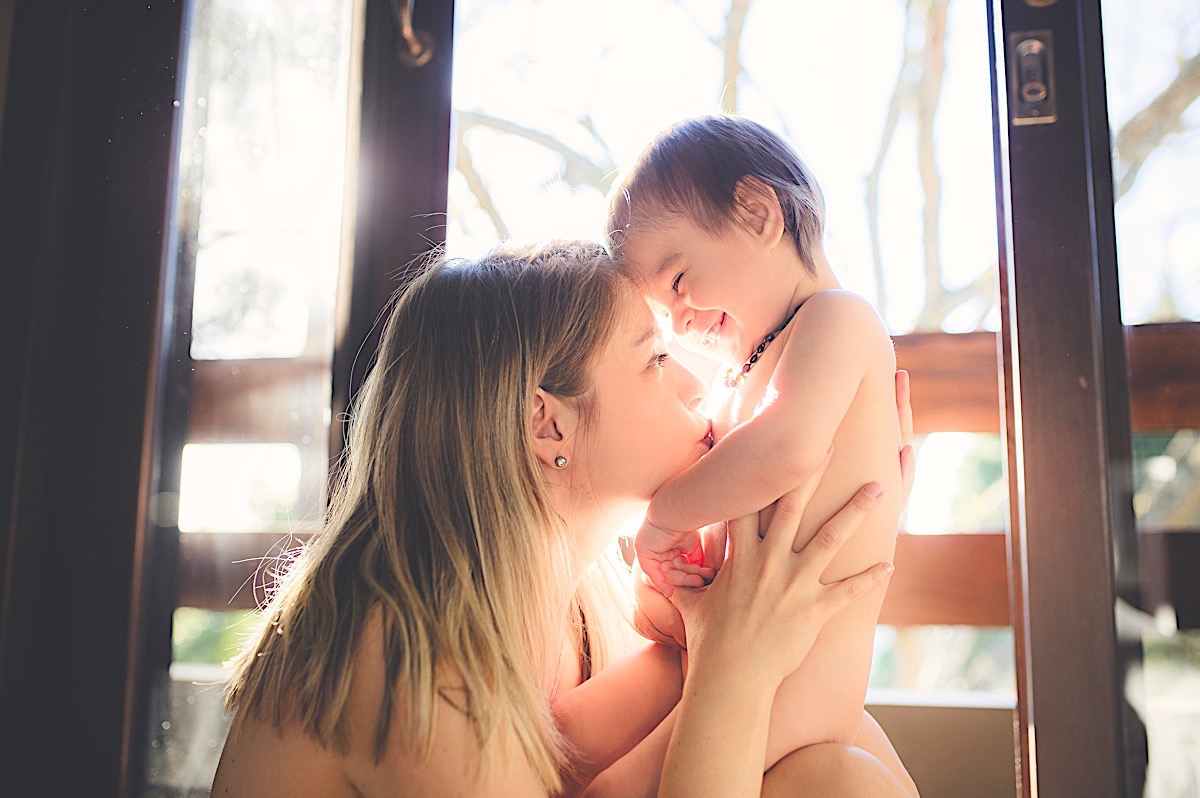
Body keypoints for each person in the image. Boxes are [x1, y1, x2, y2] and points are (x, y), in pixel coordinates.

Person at [211, 241, 914, 797]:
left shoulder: (575, 603)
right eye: (656, 360)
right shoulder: (404, 644)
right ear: (549, 425)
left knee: (838, 768)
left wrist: (852, 510)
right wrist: (733, 670)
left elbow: (581, 760)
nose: (697, 382)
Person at [607, 114, 910, 774]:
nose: (679, 321)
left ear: (757, 213)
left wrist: (665, 519)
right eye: (662, 314)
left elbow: (788, 449)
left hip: (798, 684)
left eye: (680, 282)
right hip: (746, 663)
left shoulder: (838, 319)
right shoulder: (744, 373)